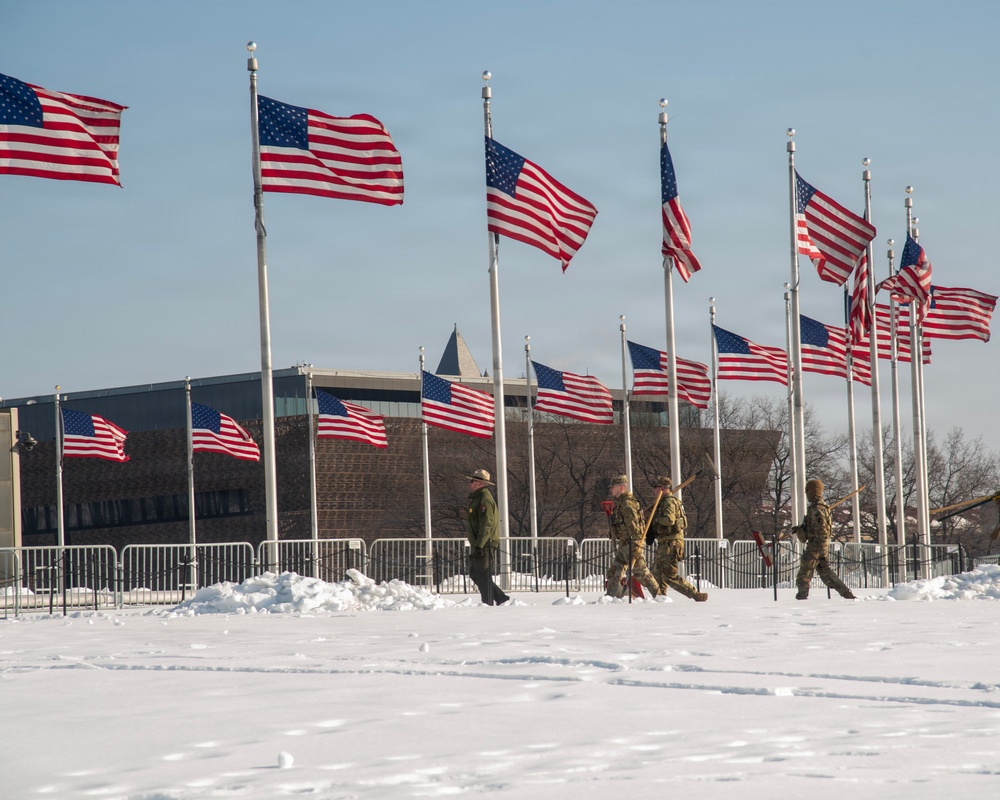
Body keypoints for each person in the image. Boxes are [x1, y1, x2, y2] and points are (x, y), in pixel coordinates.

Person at [792, 478, 856, 600]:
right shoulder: (816, 507)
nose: (806, 494)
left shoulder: (818, 509)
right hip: (817, 545)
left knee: (804, 572)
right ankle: (846, 593)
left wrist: (820, 551)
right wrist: (800, 529)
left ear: (813, 491)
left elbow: (822, 531)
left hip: (816, 546)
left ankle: (802, 596)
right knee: (825, 572)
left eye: (807, 491)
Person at [649, 476, 708, 602]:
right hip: (666, 541)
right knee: (657, 570)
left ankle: (695, 594)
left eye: (656, 487)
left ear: (662, 488)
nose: (653, 490)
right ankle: (661, 596)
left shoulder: (668, 502)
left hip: (671, 542)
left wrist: (653, 520)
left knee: (669, 575)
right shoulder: (665, 501)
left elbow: (669, 520)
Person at [605, 475, 659, 599]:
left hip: (631, 544)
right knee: (614, 572)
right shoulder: (621, 503)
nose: (611, 490)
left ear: (621, 487)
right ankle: (610, 596)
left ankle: (659, 595)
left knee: (641, 572)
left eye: (613, 487)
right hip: (624, 544)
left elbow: (635, 528)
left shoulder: (627, 505)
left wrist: (636, 545)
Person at [464, 468, 510, 606]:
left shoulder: (484, 499)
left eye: (472, 481)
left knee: (483, 575)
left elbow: (486, 524)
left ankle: (488, 603)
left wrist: (480, 544)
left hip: (484, 543)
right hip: (480, 543)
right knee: (475, 574)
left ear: (479, 483)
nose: (470, 484)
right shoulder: (478, 498)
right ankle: (500, 598)